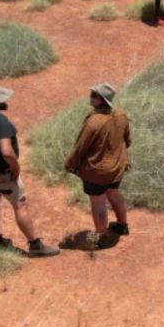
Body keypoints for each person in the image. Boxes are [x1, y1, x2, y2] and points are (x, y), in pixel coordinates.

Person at [0, 81, 59, 257]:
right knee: (20, 205)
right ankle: (35, 245)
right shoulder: (1, 122)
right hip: (2, 174)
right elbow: (7, 151)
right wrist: (15, 167)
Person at [63, 82, 131, 246]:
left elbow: (80, 147)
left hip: (97, 172)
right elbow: (127, 141)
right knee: (114, 193)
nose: (90, 97)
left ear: (101, 100)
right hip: (117, 167)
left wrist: (70, 164)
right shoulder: (121, 115)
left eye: (94, 95)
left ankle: (102, 237)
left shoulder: (94, 122)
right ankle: (122, 226)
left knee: (98, 202)